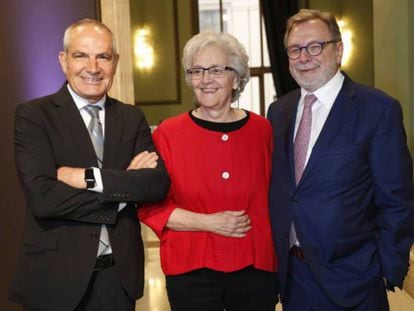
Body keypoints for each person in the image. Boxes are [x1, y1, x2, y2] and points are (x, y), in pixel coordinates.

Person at [9, 19, 169, 311]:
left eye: (103, 56)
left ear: (115, 62)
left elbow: (155, 184)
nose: (93, 68)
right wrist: (123, 191)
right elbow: (44, 199)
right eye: (81, 55)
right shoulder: (33, 116)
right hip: (56, 277)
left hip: (118, 278)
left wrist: (91, 178)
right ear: (63, 60)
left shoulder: (131, 118)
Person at [267, 8, 414, 311]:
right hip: (293, 278)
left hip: (355, 280)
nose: (303, 57)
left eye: (315, 46)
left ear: (338, 50)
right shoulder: (279, 111)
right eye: (295, 49)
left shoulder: (377, 110)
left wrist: (386, 269)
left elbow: (397, 198)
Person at [138, 32, 278, 311]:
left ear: (236, 78)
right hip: (191, 270)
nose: (205, 79)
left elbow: (280, 196)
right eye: (197, 71)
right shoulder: (168, 133)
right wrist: (209, 222)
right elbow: (150, 206)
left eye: (216, 69)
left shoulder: (262, 130)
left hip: (255, 268)